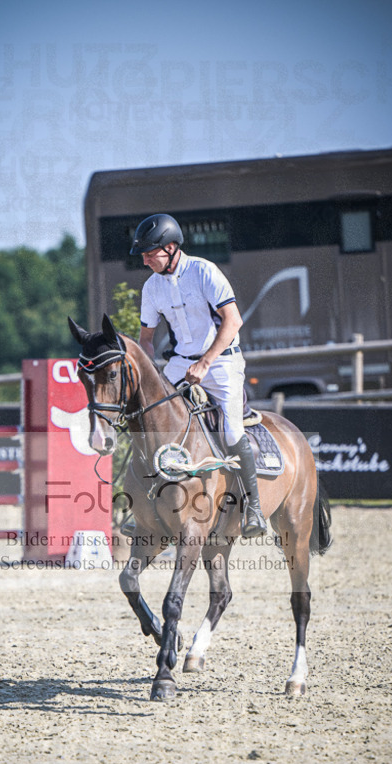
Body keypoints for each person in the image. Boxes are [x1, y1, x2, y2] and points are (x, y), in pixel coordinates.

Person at [130, 213, 267, 538]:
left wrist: (205, 363)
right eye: (143, 255)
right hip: (180, 363)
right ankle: (142, 508)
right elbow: (146, 339)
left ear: (171, 248)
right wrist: (146, 374)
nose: (145, 260)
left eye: (150, 253)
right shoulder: (151, 287)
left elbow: (233, 321)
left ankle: (254, 509)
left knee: (232, 432)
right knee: (150, 419)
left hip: (221, 362)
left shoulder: (204, 271)